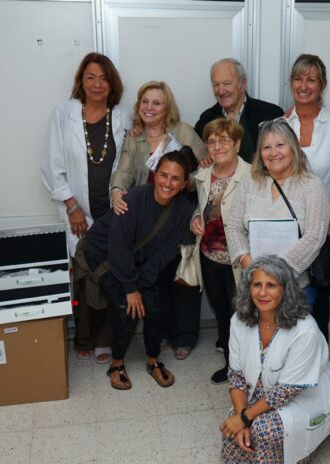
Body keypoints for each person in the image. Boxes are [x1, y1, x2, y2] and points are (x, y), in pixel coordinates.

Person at [41, 52, 131, 365]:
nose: (97, 84)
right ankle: (83, 337)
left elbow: (133, 159)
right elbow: (51, 164)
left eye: (103, 78)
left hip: (112, 212)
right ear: (81, 80)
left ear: (112, 84)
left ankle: (104, 338)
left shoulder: (121, 117)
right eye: (90, 77)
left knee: (111, 273)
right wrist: (71, 206)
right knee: (83, 273)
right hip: (77, 211)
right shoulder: (63, 113)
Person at [82, 149, 196, 390]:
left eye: (176, 178)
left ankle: (153, 360)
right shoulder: (133, 199)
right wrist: (131, 288)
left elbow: (166, 252)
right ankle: (116, 363)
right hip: (102, 253)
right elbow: (119, 247)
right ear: (155, 175)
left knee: (153, 305)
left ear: (184, 183)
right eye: (163, 175)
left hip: (138, 260)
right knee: (128, 308)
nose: (168, 183)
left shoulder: (184, 209)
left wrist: (142, 284)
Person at [110, 80, 205, 360]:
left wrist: (188, 186)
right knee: (156, 277)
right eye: (145, 101)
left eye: (157, 102)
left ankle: (184, 336)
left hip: (180, 216)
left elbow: (206, 169)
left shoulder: (184, 132)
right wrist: (116, 191)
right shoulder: (134, 137)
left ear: (167, 108)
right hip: (148, 220)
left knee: (182, 276)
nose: (149, 107)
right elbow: (123, 171)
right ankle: (159, 332)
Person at [220, 255, 330, 463]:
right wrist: (240, 418)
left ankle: (299, 454)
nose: (262, 293)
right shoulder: (239, 320)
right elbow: (236, 376)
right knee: (232, 432)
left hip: (300, 397)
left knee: (263, 429)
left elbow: (286, 391)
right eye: (257, 285)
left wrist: (244, 418)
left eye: (271, 285)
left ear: (285, 290)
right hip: (262, 391)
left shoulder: (305, 329)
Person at [225, 118, 329, 307]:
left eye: (280, 145)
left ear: (293, 148)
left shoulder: (312, 186)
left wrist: (277, 273)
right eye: (266, 147)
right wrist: (248, 263)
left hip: (296, 288)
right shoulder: (249, 182)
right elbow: (233, 227)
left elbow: (315, 236)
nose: (273, 153)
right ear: (260, 153)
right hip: (254, 285)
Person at [284, 53, 330, 342]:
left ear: (322, 85)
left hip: (322, 227)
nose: (304, 85)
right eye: (298, 78)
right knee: (285, 297)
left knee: (317, 299)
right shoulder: (280, 124)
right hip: (285, 227)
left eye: (311, 80)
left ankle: (318, 359)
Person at [191, 118, 251, 385]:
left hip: (240, 259)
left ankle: (248, 368)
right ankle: (230, 365)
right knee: (222, 313)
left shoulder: (252, 176)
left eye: (224, 140)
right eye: (212, 141)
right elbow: (201, 207)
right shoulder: (203, 174)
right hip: (210, 258)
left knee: (243, 315)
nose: (217, 146)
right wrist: (195, 218)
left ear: (237, 144)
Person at [195, 58, 283, 163]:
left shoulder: (271, 114)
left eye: (227, 83)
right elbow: (197, 159)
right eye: (216, 85)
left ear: (243, 84)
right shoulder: (206, 119)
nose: (221, 91)